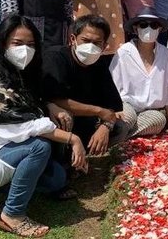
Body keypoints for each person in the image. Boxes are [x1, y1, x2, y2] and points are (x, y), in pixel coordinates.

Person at [0, 15, 88, 238]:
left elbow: (29, 107)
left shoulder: (16, 72)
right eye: (18, 43)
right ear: (3, 44)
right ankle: (12, 214)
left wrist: (49, 105)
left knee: (56, 179)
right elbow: (27, 126)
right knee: (38, 147)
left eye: (31, 45)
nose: (25, 50)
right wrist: (74, 139)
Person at [42, 14, 129, 155]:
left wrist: (106, 126)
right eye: (86, 40)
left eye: (97, 43)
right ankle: (64, 160)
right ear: (73, 39)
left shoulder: (99, 64)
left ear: (104, 46)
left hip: (87, 121)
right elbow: (57, 99)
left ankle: (90, 154)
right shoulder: (55, 57)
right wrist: (99, 111)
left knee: (120, 126)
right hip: (60, 120)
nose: (90, 47)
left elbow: (113, 106)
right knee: (64, 116)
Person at [110, 7, 168, 137]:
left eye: (153, 25)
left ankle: (122, 135)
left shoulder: (165, 54)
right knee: (128, 118)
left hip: (152, 110)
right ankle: (119, 133)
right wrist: (113, 110)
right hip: (127, 104)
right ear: (136, 29)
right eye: (143, 25)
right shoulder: (124, 52)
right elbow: (112, 83)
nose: (149, 29)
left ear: (159, 29)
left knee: (159, 121)